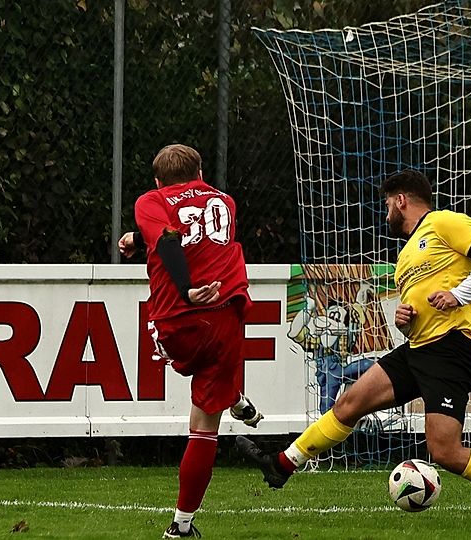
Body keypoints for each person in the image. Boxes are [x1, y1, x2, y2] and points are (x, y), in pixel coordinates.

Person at [238, 170, 471, 520]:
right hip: (418, 348)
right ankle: (282, 464)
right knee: (349, 404)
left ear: (401, 200)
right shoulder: (405, 257)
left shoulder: (443, 222)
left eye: (387, 204)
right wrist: (405, 320)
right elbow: (419, 315)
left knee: (444, 451)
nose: (386, 212)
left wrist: (458, 294)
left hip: (451, 349)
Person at [118, 144, 264, 538]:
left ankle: (233, 396)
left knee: (199, 375)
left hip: (176, 320)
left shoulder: (151, 200)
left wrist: (186, 289)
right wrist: (140, 239)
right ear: (200, 172)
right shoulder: (225, 202)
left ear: (157, 181)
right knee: (204, 425)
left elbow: (170, 238)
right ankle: (181, 524)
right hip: (224, 314)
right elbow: (192, 229)